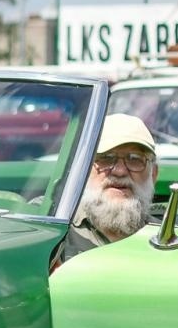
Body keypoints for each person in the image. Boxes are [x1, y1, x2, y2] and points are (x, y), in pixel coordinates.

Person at [56, 113, 157, 266]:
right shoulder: (54, 227)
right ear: (82, 168)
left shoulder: (166, 241)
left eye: (135, 159)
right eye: (106, 158)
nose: (120, 171)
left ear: (153, 174)